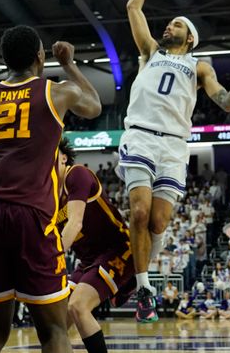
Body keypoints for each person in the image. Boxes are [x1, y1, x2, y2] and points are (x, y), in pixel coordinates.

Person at [121, 0, 230, 322]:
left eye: (177, 24)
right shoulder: (150, 52)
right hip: (140, 136)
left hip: (173, 146)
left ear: (191, 37)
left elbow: (226, 103)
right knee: (138, 211)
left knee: (158, 223)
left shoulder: (199, 67)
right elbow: (133, 7)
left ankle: (141, 263)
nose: (169, 26)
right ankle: (144, 287)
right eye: (169, 23)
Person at [0, 25, 101, 353]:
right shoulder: (56, 91)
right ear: (40, 56)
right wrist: (69, 64)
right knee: (54, 330)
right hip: (29, 213)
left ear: (6, 59)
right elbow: (95, 106)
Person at [55, 138, 135, 353]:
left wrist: (50, 257)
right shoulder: (47, 195)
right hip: (88, 261)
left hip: (118, 248)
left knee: (78, 305)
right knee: (55, 325)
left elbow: (75, 222)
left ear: (63, 157)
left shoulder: (76, 174)